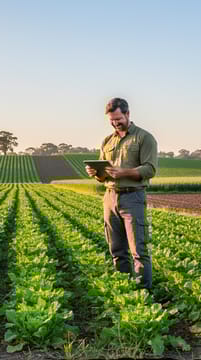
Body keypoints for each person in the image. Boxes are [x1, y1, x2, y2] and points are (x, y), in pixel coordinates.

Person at [85, 97, 158, 290]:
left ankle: (144, 293)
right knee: (116, 249)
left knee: (138, 250)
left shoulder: (144, 138)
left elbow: (150, 169)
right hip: (110, 197)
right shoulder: (107, 141)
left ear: (127, 114)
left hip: (133, 197)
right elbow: (103, 175)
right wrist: (96, 173)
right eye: (111, 120)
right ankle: (125, 291)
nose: (115, 123)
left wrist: (124, 172)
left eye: (118, 119)